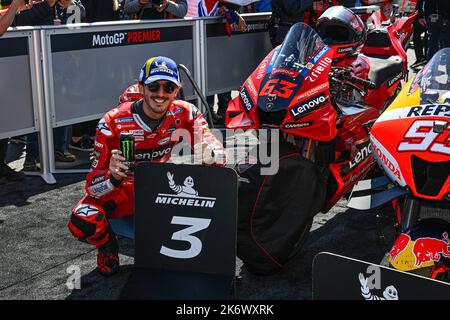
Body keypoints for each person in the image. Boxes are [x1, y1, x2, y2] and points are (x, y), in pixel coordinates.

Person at [68, 56, 227, 276]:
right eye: (153, 86)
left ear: (176, 90)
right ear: (142, 87)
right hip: (123, 190)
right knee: (82, 218)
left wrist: (210, 152)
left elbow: (216, 149)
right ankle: (107, 246)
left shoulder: (186, 113)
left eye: (168, 87)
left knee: (220, 179)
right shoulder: (111, 123)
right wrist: (112, 177)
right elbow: (92, 189)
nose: (160, 94)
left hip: (160, 187)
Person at [12, 0, 86, 170]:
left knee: (62, 107)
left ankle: (59, 149)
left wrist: (70, 5)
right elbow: (20, 20)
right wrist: (48, 4)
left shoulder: (72, 4)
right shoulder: (34, 3)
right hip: (36, 63)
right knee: (37, 110)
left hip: (64, 62)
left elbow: (78, 21)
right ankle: (31, 157)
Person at [411, 0, 428, 68]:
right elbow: (419, 3)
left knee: (429, 38)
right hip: (422, 16)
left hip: (431, 15)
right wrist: (420, 17)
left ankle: (426, 59)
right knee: (416, 37)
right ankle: (420, 58)